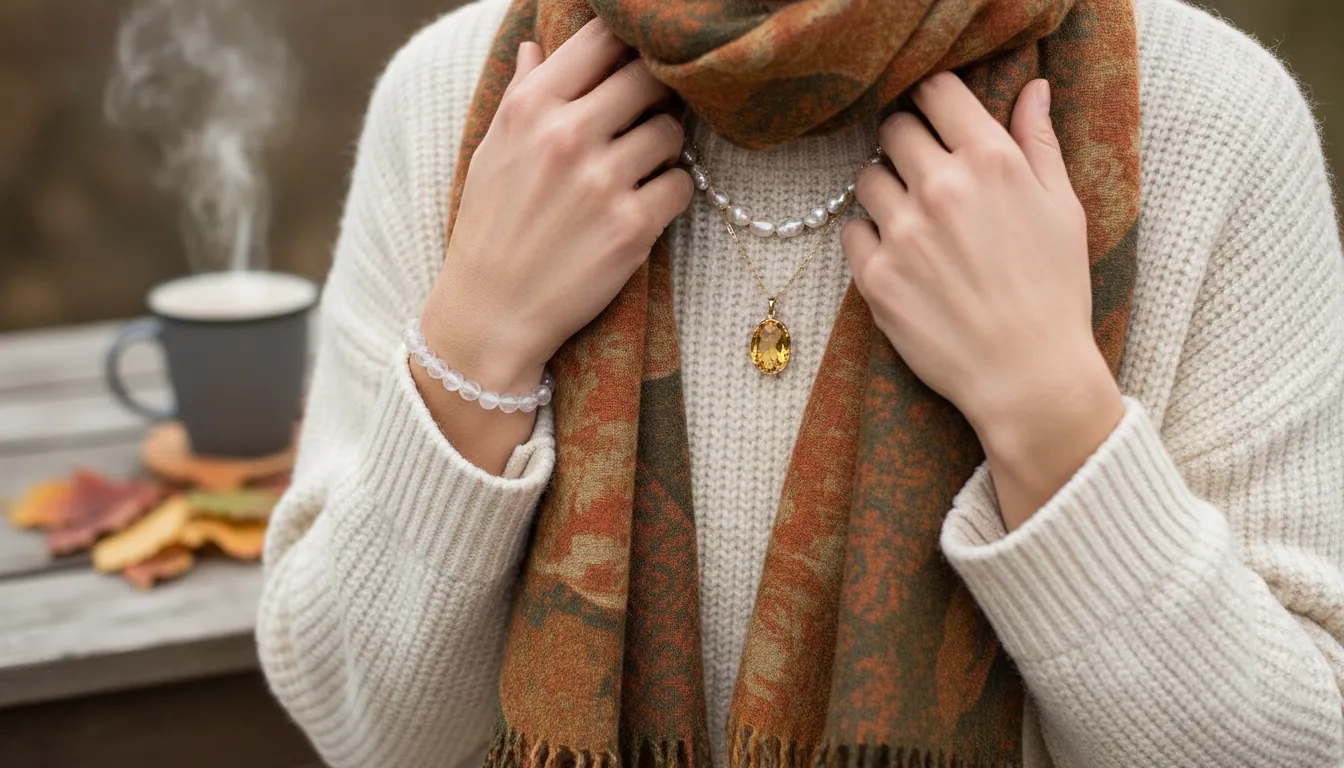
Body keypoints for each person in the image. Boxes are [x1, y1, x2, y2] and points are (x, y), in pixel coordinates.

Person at [256, 0, 1344, 765]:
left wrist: (1046, 408)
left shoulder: (1214, 123)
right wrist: (476, 340)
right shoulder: (460, 98)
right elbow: (367, 733)